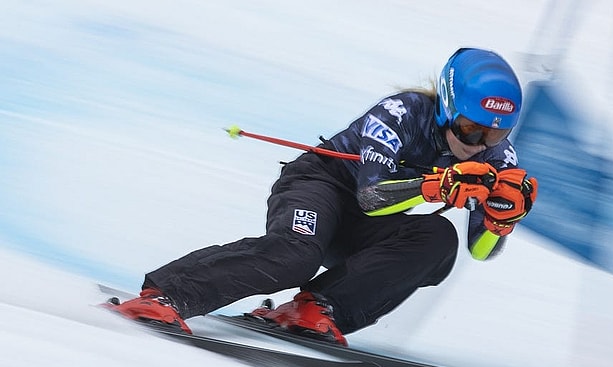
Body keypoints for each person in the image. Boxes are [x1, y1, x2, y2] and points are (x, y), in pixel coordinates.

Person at [108, 47, 538, 346]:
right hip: (323, 186)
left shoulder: (500, 158)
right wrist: (437, 185)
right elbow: (369, 195)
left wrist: (501, 221)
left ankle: (315, 308)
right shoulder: (403, 113)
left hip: (364, 226)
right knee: (295, 256)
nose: (481, 143)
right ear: (447, 106)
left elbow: (479, 251)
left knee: (440, 240)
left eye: (497, 132)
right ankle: (168, 294)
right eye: (470, 129)